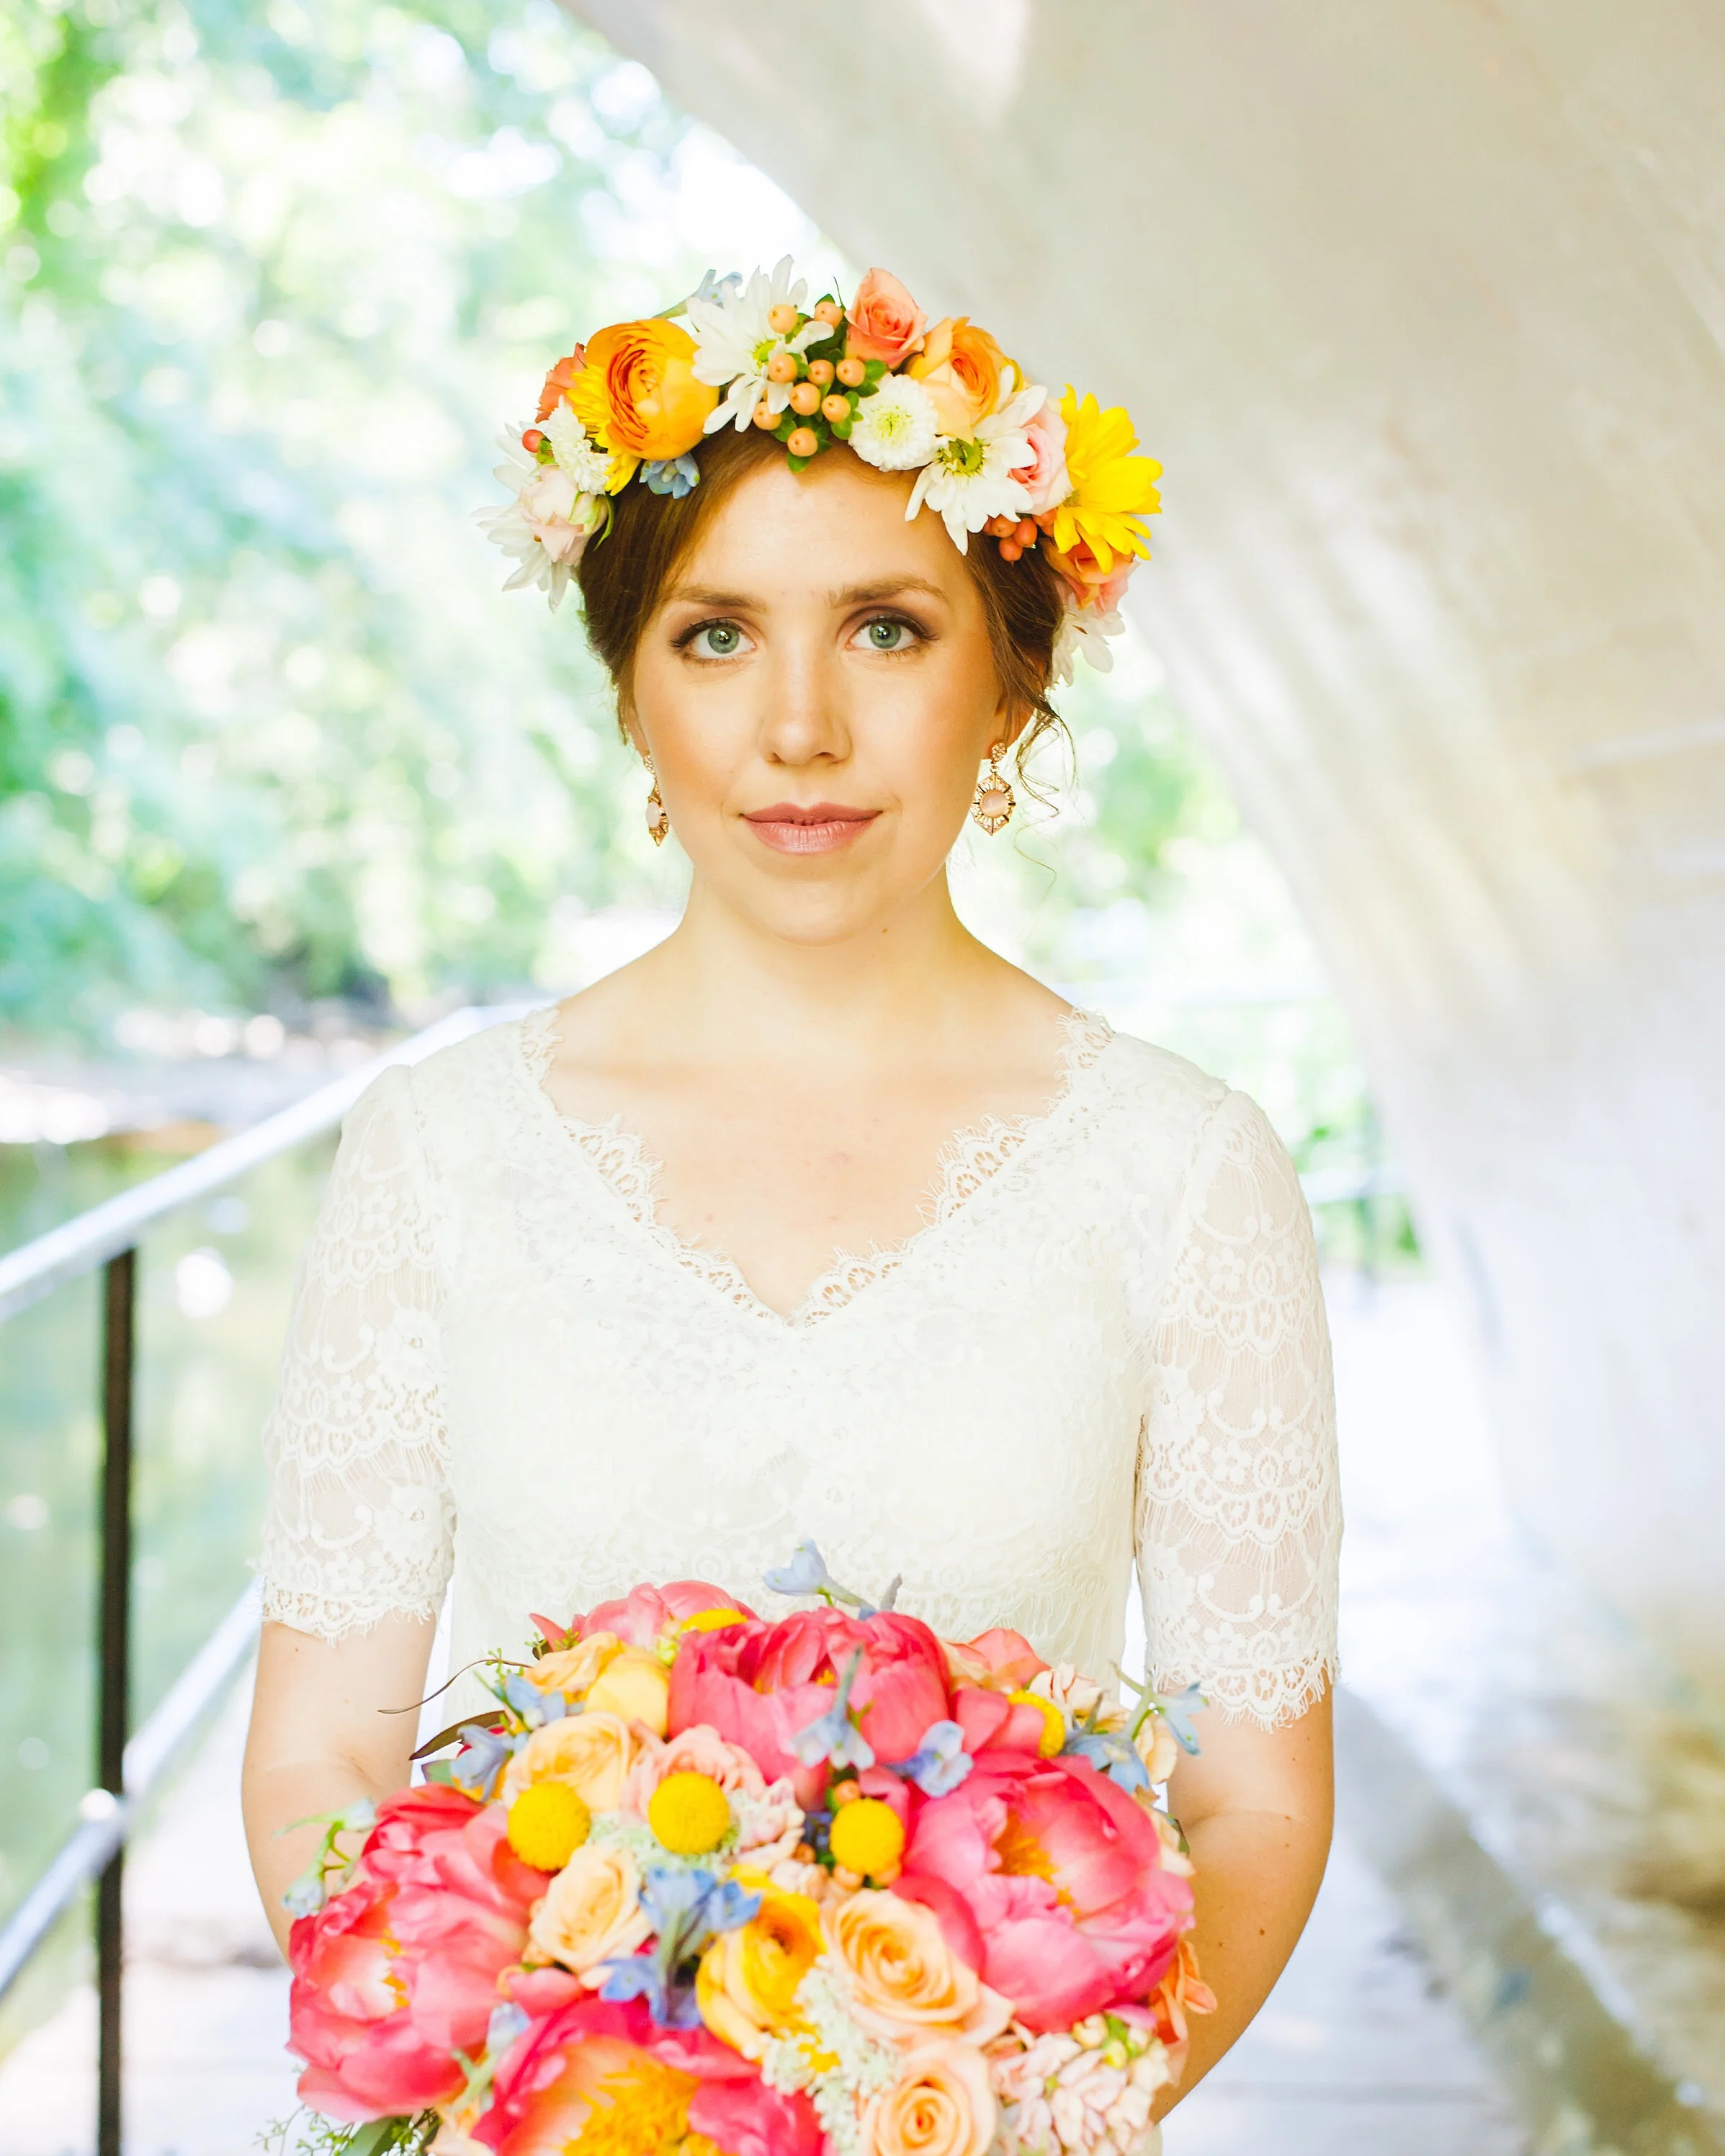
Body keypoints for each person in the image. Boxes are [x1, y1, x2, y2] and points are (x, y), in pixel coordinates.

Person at [242, 261, 1340, 2121]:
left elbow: (1254, 1795)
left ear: (1012, 679)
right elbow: (322, 1754)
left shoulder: (1186, 1175)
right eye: (718, 633)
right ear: (628, 687)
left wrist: (995, 2117)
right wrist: (530, 2108)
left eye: (890, 631)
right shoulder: (438, 1156)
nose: (802, 728)